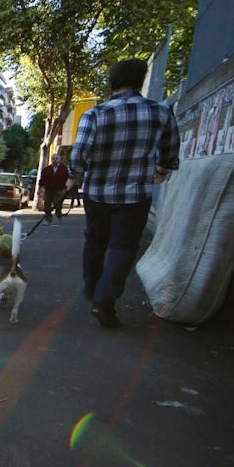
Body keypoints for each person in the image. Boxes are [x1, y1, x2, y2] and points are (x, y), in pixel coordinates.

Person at [67, 59, 180, 329]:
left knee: (95, 243)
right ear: (140, 81)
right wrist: (161, 170)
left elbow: (80, 152)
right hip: (135, 195)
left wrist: (73, 176)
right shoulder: (160, 111)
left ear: (113, 82)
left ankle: (92, 288)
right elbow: (170, 149)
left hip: (97, 193)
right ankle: (104, 300)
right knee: (124, 248)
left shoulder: (95, 114)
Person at [38, 153, 69, 224]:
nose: (55, 160)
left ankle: (59, 216)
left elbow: (67, 178)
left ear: (59, 159)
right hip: (48, 189)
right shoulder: (46, 169)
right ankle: (48, 219)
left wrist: (67, 188)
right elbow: (42, 180)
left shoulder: (64, 169)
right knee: (47, 204)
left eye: (56, 158)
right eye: (53, 158)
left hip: (59, 189)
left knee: (58, 204)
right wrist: (40, 188)